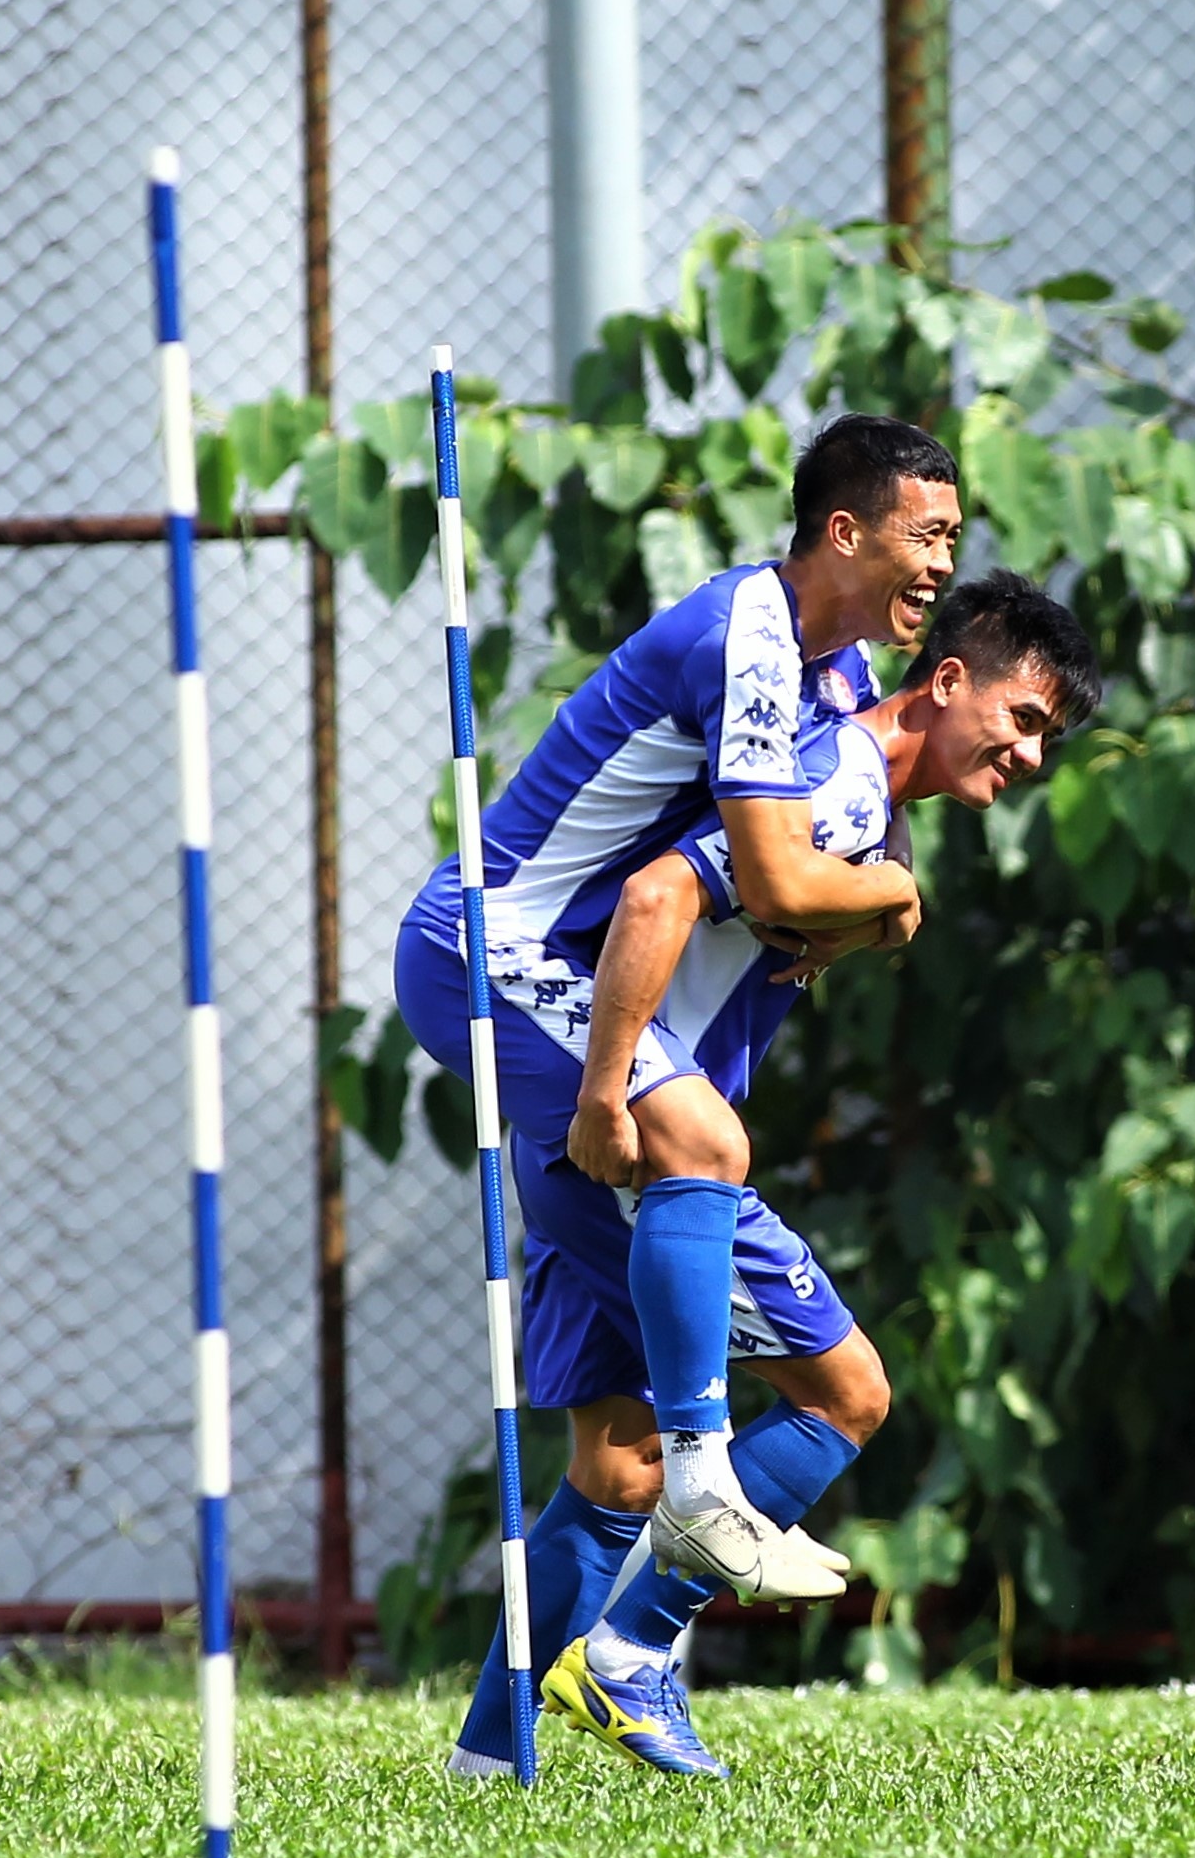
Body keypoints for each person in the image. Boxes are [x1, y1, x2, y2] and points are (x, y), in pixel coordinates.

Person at [440, 571, 1101, 1777]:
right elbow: (654, 896)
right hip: (641, 1136)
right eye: (1023, 718)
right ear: (947, 682)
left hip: (611, 1114)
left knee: (613, 1465)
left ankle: (487, 1764)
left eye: (1047, 736)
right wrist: (613, 1088)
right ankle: (634, 1651)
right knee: (847, 1394)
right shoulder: (844, 789)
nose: (1032, 754)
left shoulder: (834, 771)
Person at [397, 414, 961, 1605]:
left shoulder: (838, 673)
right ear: (845, 529)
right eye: (928, 534)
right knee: (707, 1144)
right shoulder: (749, 638)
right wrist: (896, 897)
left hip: (575, 977)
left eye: (956, 539)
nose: (943, 565)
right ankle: (709, 1497)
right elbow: (768, 881)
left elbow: (785, 902)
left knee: (611, 1457)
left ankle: (504, 1743)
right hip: (488, 941)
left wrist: (843, 911)